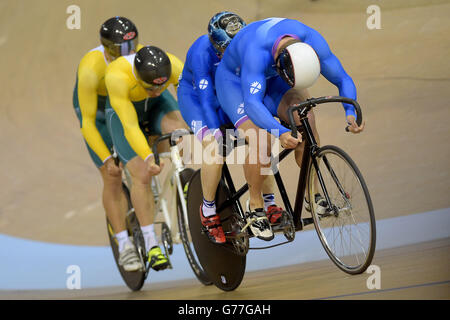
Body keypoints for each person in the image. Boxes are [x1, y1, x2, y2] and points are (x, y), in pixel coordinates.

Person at [215, 17, 365, 223]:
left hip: (276, 77)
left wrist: (350, 112)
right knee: (261, 141)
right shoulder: (256, 50)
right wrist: (279, 131)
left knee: (306, 121)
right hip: (235, 82)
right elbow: (252, 103)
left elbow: (342, 79)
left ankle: (312, 193)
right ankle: (255, 204)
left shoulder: (313, 40)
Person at [177, 12, 285, 244]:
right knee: (214, 150)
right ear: (216, 45)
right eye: (227, 49)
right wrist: (216, 133)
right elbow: (206, 100)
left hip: (229, 93)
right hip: (197, 99)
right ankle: (207, 211)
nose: (233, 53)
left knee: (262, 140)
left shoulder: (248, 44)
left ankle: (269, 202)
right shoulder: (200, 52)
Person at [72, 16, 146, 272]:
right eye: (120, 50)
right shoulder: (91, 68)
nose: (128, 53)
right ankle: (124, 245)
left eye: (132, 46)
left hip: (122, 99)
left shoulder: (137, 57)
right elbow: (88, 122)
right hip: (98, 113)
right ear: (106, 48)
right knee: (113, 175)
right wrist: (105, 158)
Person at [105, 45, 188, 271]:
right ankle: (152, 243)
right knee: (141, 173)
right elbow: (131, 126)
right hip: (124, 114)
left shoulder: (173, 65)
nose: (158, 91)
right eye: (152, 88)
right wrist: (148, 157)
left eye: (161, 86)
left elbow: (190, 97)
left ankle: (184, 179)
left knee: (182, 133)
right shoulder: (116, 76)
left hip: (156, 109)